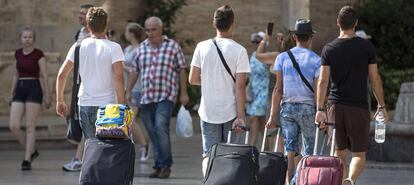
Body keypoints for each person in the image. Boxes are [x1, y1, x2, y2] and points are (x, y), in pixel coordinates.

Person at [315, 6, 389, 185]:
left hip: (335, 106)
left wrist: (319, 109)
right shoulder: (366, 47)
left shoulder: (329, 48)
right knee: (359, 153)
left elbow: (323, 82)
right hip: (358, 107)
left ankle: (340, 182)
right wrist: (382, 106)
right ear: (355, 24)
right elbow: (375, 79)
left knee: (338, 152)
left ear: (337, 23)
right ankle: (350, 179)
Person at [126, 16, 189, 179]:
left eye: (153, 29)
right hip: (146, 97)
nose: (150, 33)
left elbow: (182, 69)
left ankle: (166, 165)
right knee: (153, 132)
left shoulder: (173, 47)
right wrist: (128, 91)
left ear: (161, 29)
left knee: (161, 127)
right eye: (147, 30)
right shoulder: (141, 48)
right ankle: (159, 164)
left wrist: (184, 93)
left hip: (166, 96)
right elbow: (134, 70)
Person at [188, 5, 250, 159]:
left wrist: (211, 80)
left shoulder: (201, 47)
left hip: (208, 110)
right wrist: (241, 117)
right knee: (231, 157)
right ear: (232, 24)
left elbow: (193, 79)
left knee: (209, 156)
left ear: (214, 24)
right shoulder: (240, 50)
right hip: (231, 112)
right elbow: (240, 86)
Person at [56, 6, 125, 140]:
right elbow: (119, 78)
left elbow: (62, 75)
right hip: (108, 105)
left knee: (90, 146)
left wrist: (59, 100)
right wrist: (121, 105)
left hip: (85, 104)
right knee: (107, 147)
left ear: (88, 25)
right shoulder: (114, 48)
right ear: (106, 25)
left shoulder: (78, 47)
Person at [266, 19, 320, 185]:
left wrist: (272, 116)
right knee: (308, 150)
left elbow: (278, 89)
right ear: (310, 37)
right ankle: (300, 181)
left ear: (295, 37)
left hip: (287, 108)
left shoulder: (282, 58)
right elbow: (318, 90)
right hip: (308, 108)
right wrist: (321, 110)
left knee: (289, 151)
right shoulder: (317, 60)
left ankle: (290, 182)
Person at [9, 26, 51, 171]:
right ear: (21, 38)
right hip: (20, 87)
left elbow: (44, 76)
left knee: (30, 126)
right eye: (24, 37)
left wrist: (48, 95)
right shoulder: (18, 54)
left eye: (30, 37)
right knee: (13, 125)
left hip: (34, 87)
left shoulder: (39, 54)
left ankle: (27, 159)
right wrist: (11, 92)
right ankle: (32, 150)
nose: (27, 39)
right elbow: (15, 74)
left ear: (33, 39)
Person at [62, 3, 93, 172]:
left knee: (85, 121)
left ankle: (78, 158)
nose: (79, 16)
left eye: (84, 14)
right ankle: (81, 158)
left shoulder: (99, 36)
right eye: (79, 13)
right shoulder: (79, 33)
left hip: (91, 85)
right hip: (78, 83)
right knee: (78, 120)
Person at [123, 22, 150, 162]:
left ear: (132, 33)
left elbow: (138, 70)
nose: (125, 33)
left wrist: (125, 67)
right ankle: (129, 148)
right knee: (125, 121)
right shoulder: (127, 49)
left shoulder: (140, 49)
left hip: (137, 89)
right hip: (127, 88)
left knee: (130, 120)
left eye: (127, 31)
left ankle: (144, 145)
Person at [247, 31, 269, 146]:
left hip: (264, 92)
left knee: (253, 117)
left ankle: (252, 144)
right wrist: (247, 90)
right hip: (254, 92)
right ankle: (266, 146)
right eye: (254, 42)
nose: (255, 44)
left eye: (258, 41)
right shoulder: (253, 56)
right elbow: (250, 76)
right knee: (260, 121)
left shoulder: (267, 56)